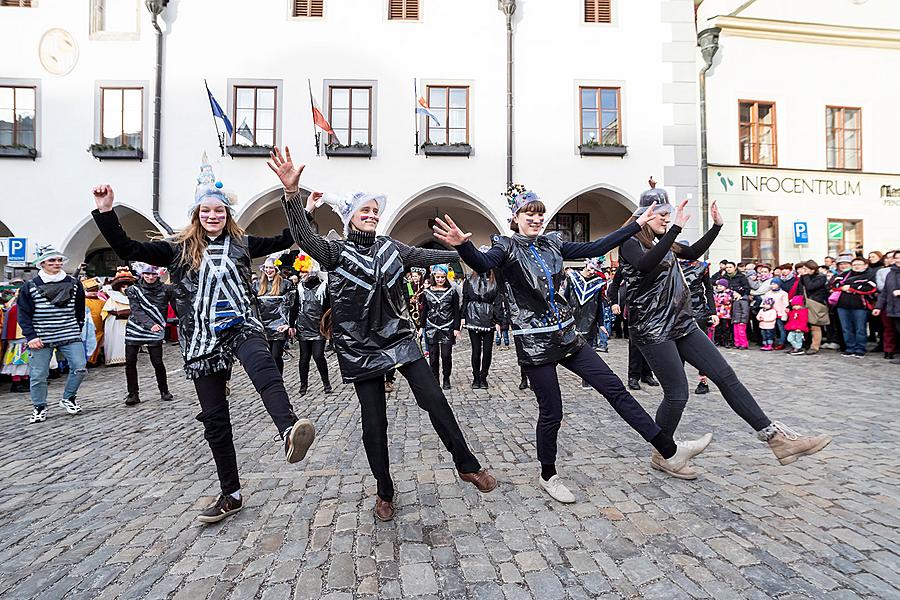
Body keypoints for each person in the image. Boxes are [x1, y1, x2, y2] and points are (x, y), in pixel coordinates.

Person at [435, 182, 710, 494]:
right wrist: (462, 246)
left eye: (540, 214)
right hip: (536, 343)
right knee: (552, 412)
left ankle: (669, 451)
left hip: (568, 337)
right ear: (516, 218)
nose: (537, 219)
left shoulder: (553, 245)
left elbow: (597, 247)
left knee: (615, 389)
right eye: (529, 214)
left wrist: (638, 223)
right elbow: (483, 263)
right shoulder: (505, 248)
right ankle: (548, 475)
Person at [271, 146, 495, 522]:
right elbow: (304, 239)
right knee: (374, 422)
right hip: (359, 348)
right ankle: (384, 490)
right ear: (350, 218)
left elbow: (437, 258)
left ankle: (467, 464)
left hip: (400, 340)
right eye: (365, 210)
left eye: (376, 210)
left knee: (435, 400)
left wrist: (467, 249)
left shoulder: (393, 249)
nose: (372, 215)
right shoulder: (334, 253)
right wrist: (293, 196)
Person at [91, 155, 316, 524]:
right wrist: (105, 211)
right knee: (215, 419)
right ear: (197, 213)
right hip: (202, 340)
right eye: (207, 210)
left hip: (242, 325)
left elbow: (286, 238)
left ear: (228, 213)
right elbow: (129, 248)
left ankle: (289, 430)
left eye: (220, 210)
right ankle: (231, 493)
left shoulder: (243, 244)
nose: (214, 215)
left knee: (264, 369)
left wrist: (299, 204)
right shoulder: (176, 248)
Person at [614, 182, 830, 474]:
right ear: (644, 215)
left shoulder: (663, 240)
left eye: (668, 214)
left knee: (725, 375)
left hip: (681, 322)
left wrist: (716, 227)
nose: (666, 218)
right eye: (660, 214)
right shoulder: (630, 241)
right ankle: (662, 454)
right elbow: (644, 265)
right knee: (677, 393)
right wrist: (675, 228)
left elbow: (691, 253)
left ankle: (776, 439)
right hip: (652, 329)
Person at [17, 245, 87, 423]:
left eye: (59, 260)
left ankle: (68, 398)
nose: (57, 263)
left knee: (79, 366)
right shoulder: (30, 286)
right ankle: (39, 406)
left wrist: (77, 327)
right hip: (41, 335)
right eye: (52, 261)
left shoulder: (74, 283)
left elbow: (80, 309)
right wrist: (31, 336)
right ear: (42, 264)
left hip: (69, 332)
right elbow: (23, 313)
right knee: (39, 374)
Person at [123, 263, 175, 405]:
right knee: (130, 362)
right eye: (147, 274)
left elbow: (176, 306)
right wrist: (150, 324)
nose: (150, 277)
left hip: (156, 328)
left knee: (157, 362)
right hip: (135, 328)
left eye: (153, 274)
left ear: (158, 274)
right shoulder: (134, 290)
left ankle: (164, 390)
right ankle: (133, 393)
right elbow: (136, 310)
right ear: (141, 274)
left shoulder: (166, 289)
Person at [607, 267, 659, 391]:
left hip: (651, 307)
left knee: (650, 342)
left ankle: (647, 374)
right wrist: (614, 302)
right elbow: (614, 285)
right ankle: (633, 376)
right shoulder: (625, 266)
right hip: (634, 307)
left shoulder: (652, 262)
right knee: (635, 343)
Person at [679, 251, 718, 394]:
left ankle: (703, 381)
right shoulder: (672, 265)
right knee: (677, 348)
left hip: (698, 311)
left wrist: (713, 312)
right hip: (678, 311)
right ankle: (678, 384)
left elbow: (709, 290)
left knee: (702, 348)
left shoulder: (702, 267)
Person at [564, 258, 607, 387]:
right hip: (573, 320)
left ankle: (587, 380)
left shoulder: (597, 283)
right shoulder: (573, 278)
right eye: (591, 267)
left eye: (595, 269)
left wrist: (602, 324)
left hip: (590, 322)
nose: (592, 271)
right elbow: (565, 299)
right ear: (586, 264)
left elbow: (599, 305)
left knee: (589, 352)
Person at [421, 264, 461, 390]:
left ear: (445, 277)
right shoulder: (427, 292)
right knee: (433, 357)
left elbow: (456, 311)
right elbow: (424, 310)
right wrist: (421, 328)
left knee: (446, 355)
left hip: (447, 327)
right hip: (432, 327)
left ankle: (446, 378)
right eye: (437, 277)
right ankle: (435, 380)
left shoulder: (452, 292)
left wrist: (456, 328)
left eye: (442, 277)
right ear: (434, 277)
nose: (440, 280)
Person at [295, 258, 332, 395]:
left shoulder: (323, 287)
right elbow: (294, 308)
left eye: (303, 271)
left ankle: (326, 383)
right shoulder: (299, 288)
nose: (301, 275)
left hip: (318, 328)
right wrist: (290, 325)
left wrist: (327, 326)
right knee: (304, 358)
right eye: (300, 272)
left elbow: (328, 308)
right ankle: (303, 385)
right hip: (303, 327)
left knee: (318, 356)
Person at [256, 253, 296, 375]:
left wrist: (290, 324)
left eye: (271, 268)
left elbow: (292, 305)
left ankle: (279, 378)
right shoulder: (257, 285)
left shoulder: (285, 284)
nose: (268, 271)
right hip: (264, 325)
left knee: (276, 355)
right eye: (266, 268)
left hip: (279, 325)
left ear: (276, 269)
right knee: (267, 356)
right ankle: (272, 378)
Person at [831, 256, 877, 358]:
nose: (856, 267)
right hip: (842, 305)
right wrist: (851, 286)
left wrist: (851, 287)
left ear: (865, 265)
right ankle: (849, 348)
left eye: (859, 264)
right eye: (854, 264)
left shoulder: (869, 275)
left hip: (860, 306)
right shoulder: (845, 274)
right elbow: (835, 284)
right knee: (846, 328)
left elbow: (870, 288)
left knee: (860, 328)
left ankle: (860, 349)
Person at [461, 265, 498, 389]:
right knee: (476, 351)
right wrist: (462, 317)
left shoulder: (495, 280)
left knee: (487, 351)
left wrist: (499, 320)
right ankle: (476, 377)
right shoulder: (470, 279)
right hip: (473, 316)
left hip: (488, 317)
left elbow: (498, 300)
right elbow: (465, 298)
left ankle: (484, 377)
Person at [101, 270, 136, 366]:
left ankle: (127, 358)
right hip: (115, 323)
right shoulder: (113, 297)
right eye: (123, 287)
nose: (125, 289)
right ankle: (114, 359)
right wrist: (119, 313)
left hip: (127, 322)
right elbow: (107, 310)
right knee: (116, 341)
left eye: (127, 287)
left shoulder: (133, 297)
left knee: (126, 341)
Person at [797, 260, 829, 355]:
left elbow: (810, 287)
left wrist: (805, 276)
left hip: (816, 303)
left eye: (805, 269)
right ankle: (805, 344)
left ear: (813, 269)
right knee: (804, 325)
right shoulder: (803, 277)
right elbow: (800, 290)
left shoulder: (821, 277)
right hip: (804, 303)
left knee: (815, 325)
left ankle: (815, 346)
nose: (803, 271)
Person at [872, 258, 900, 365]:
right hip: (892, 308)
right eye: (896, 257)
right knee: (891, 330)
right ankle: (889, 351)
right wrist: (878, 307)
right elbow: (884, 292)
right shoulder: (890, 273)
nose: (898, 260)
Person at [82, 277, 106, 365]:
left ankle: (93, 359)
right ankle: (88, 359)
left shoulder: (101, 301)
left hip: (99, 325)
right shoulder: (84, 301)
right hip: (88, 326)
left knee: (97, 342)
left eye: (95, 290)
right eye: (91, 290)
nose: (93, 292)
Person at [763, 277, 790, 350]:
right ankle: (771, 342)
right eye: (772, 284)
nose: (773, 285)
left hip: (780, 313)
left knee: (781, 328)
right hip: (770, 313)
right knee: (771, 329)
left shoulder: (783, 293)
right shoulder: (768, 293)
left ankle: (782, 342)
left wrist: (784, 315)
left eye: (775, 284)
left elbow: (785, 304)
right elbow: (765, 303)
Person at [713, 279, 734, 348]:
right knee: (718, 329)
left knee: (725, 329)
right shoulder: (717, 293)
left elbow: (724, 301)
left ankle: (726, 342)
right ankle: (717, 341)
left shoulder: (729, 293)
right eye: (718, 286)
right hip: (718, 314)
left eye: (721, 286)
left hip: (725, 315)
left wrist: (717, 300)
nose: (719, 287)